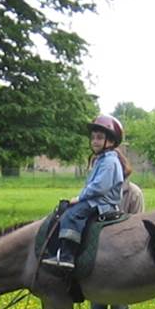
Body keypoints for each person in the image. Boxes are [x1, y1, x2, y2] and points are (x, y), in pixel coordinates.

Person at [42, 114, 127, 270]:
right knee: (62, 210)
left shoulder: (110, 161)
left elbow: (100, 187)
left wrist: (80, 197)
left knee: (74, 214)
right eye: (93, 137)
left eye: (100, 138)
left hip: (103, 203)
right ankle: (53, 250)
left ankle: (68, 256)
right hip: (96, 200)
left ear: (112, 141)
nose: (95, 141)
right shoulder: (101, 159)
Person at [89, 179, 144, 309]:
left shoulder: (133, 193)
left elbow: (138, 227)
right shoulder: (97, 191)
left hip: (122, 262)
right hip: (99, 260)